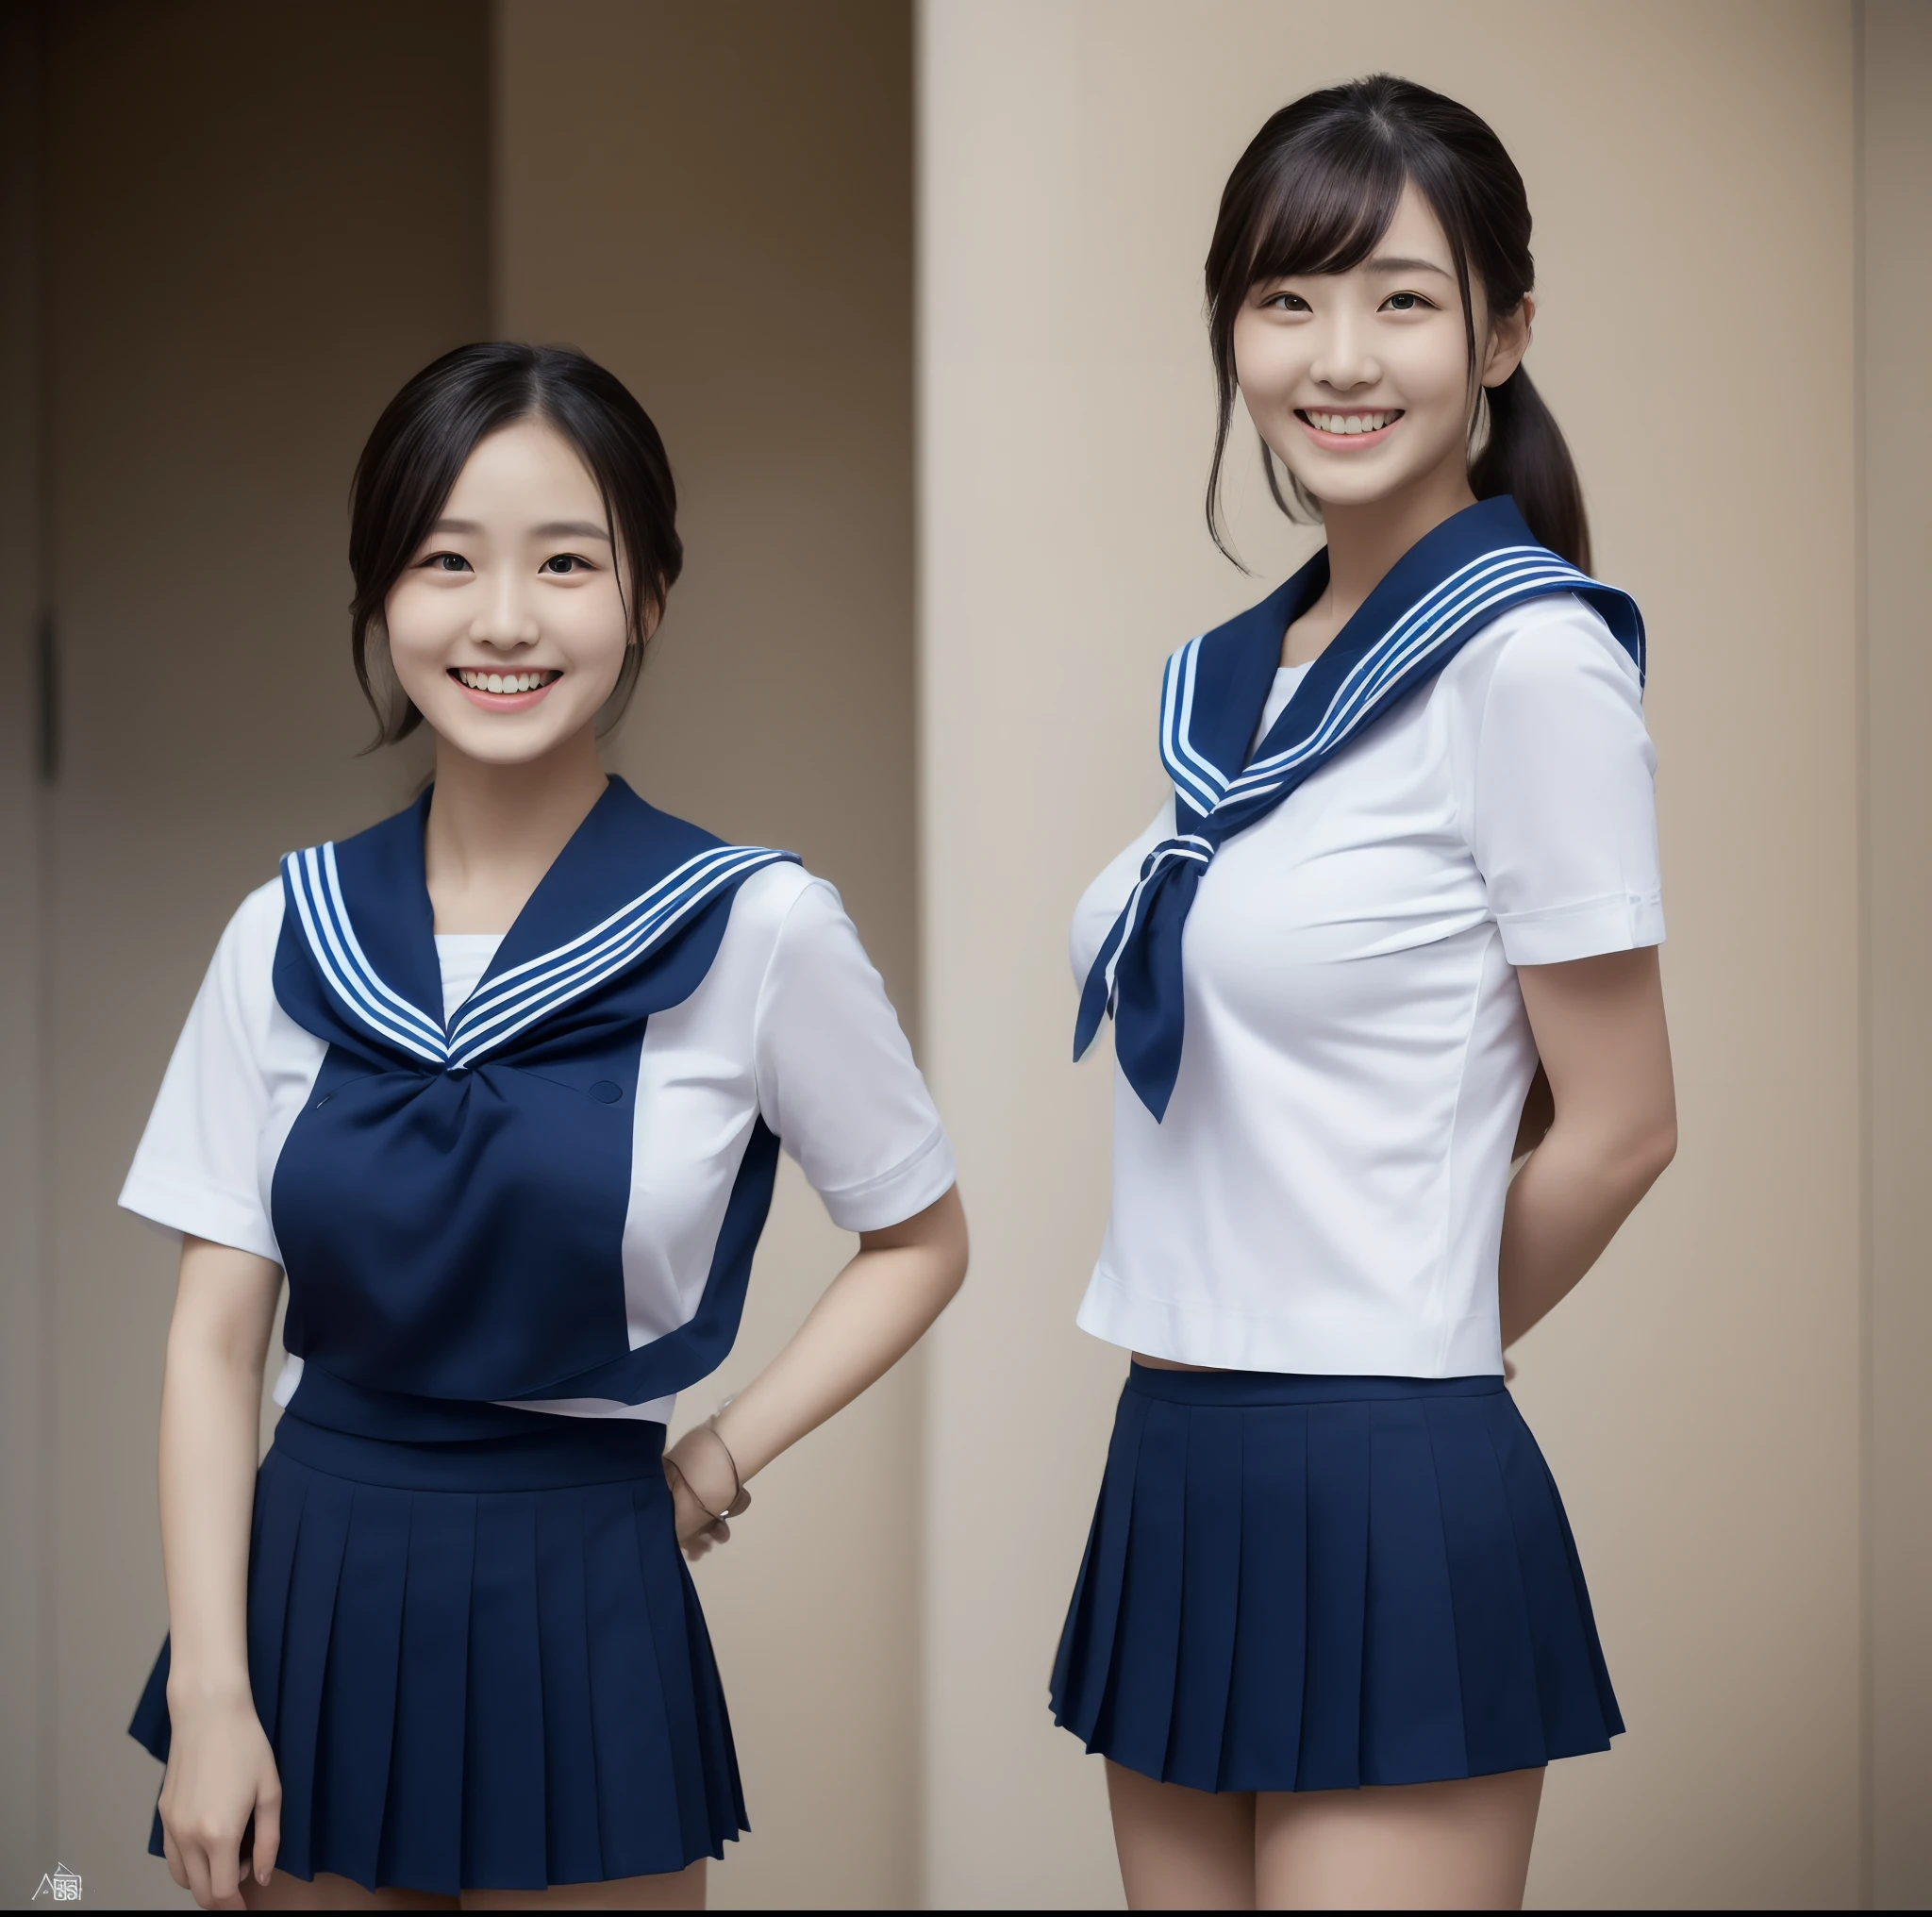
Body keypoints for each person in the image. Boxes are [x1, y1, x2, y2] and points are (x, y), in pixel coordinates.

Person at [121, 342, 967, 1911]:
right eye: (447, 560)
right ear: (382, 594)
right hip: (308, 1583)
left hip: (583, 1583)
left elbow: (919, 1240)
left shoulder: (756, 927)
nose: (503, 618)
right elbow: (212, 1346)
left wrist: (717, 1460)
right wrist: (213, 1701)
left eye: (564, 562)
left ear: (646, 597)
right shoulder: (285, 933)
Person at [1052, 76, 1676, 1910]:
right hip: (1174, 1456)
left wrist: (1396, 1345)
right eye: (1284, 298)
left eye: (1400, 298)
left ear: (1501, 333)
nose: (1339, 354)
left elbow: (1625, 1122)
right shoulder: (1237, 685)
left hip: (1378, 1458)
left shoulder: (1529, 661)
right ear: (1231, 331)